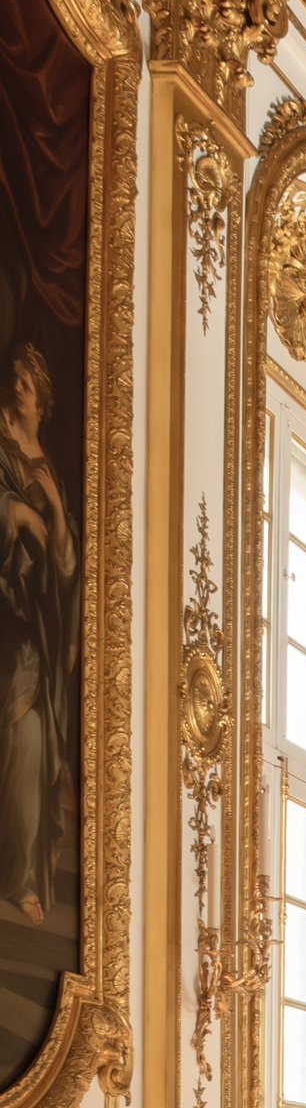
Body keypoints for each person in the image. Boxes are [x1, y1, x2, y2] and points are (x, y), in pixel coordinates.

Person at [0, 346, 77, 929]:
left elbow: (68, 567)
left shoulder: (50, 471)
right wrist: (18, 514)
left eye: (28, 382)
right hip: (6, 612)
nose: (19, 388)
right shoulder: (1, 446)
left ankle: (23, 876)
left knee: (29, 738)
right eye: (17, 380)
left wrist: (48, 504)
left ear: (43, 401)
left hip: (37, 633)